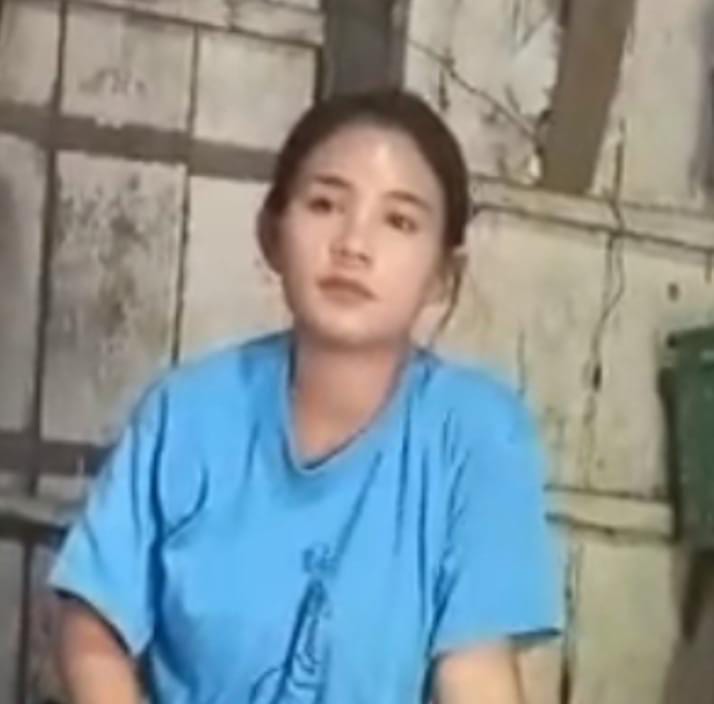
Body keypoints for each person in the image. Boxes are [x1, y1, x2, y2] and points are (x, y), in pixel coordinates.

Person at [50, 90, 561, 704]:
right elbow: (93, 624)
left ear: (441, 276)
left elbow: (475, 673)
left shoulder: (476, 436)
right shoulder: (186, 415)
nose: (353, 244)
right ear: (272, 233)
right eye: (325, 204)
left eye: (399, 221)